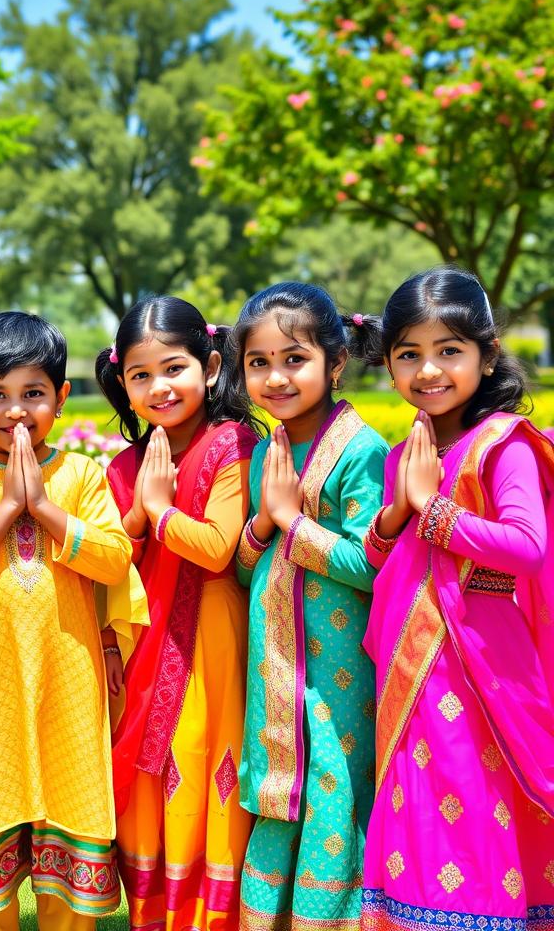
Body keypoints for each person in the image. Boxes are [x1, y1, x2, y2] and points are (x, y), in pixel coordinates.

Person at [0, 312, 138, 930]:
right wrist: (7, 509)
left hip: (67, 677)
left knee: (70, 800)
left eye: (33, 393)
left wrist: (41, 505)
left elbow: (113, 556)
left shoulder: (81, 475)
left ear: (62, 398)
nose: (16, 411)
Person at [358, 268, 554, 931]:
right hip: (410, 663)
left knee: (476, 796)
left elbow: (526, 545)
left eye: (449, 351)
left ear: (486, 354)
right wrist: (394, 517)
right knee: (418, 798)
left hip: (481, 661)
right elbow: (388, 558)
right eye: (408, 354)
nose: (428, 370)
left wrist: (431, 509)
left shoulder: (503, 446)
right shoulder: (404, 452)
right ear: (387, 362)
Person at [94, 296, 263, 931]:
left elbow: (218, 550)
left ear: (211, 366)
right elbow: (110, 566)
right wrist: (141, 514)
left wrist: (159, 511)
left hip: (212, 638)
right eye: (141, 375)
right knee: (146, 776)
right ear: (124, 383)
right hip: (140, 643)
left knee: (200, 759)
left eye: (173, 368)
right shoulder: (123, 466)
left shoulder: (233, 444)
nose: (158, 387)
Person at [231, 282, 387, 931]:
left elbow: (370, 566)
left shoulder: (361, 449)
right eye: (259, 363)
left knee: (332, 796)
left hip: (338, 674)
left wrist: (292, 523)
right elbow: (246, 569)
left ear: (335, 360)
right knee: (278, 800)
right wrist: (267, 527)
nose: (276, 377)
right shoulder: (267, 448)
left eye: (294, 359)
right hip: (276, 671)